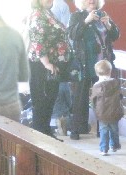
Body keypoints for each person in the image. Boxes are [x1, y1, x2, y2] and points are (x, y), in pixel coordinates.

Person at [67, 0, 119, 140]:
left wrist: (109, 25)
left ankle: (102, 129)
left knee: (103, 98)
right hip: (83, 64)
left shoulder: (103, 14)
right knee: (80, 97)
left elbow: (115, 35)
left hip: (102, 65)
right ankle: (77, 129)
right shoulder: (77, 16)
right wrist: (86, 21)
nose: (92, 1)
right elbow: (72, 35)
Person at [27, 0, 70, 138]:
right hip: (41, 66)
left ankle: (46, 134)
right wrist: (46, 63)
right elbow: (37, 41)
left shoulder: (47, 13)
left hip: (51, 64)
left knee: (49, 100)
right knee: (42, 102)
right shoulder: (38, 14)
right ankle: (40, 137)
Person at [90, 59, 123, 155]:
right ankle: (115, 145)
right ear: (110, 71)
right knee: (114, 129)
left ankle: (104, 149)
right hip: (114, 111)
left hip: (102, 113)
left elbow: (93, 100)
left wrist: (94, 109)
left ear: (97, 73)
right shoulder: (115, 83)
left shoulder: (96, 86)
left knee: (103, 130)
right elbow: (120, 96)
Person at [51, 0, 72, 136]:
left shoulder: (37, 7)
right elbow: (66, 30)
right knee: (63, 86)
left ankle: (57, 119)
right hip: (62, 54)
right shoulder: (62, 5)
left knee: (55, 86)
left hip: (47, 56)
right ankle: (64, 118)